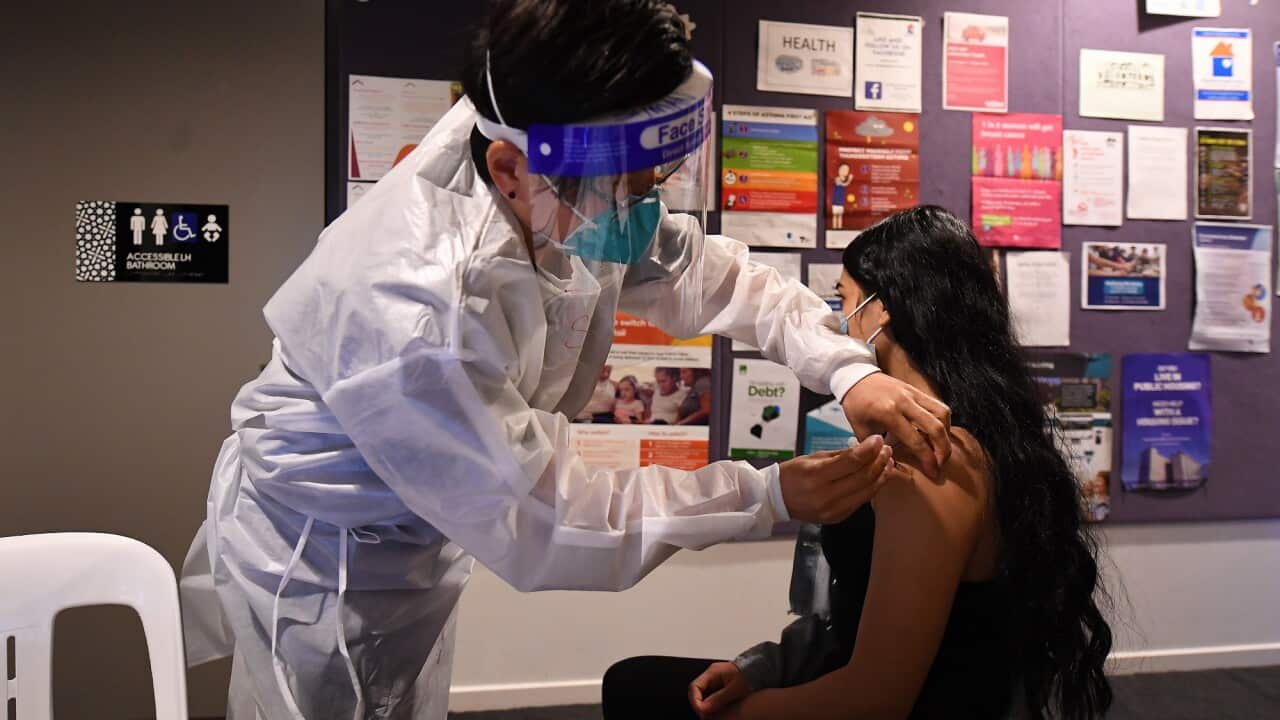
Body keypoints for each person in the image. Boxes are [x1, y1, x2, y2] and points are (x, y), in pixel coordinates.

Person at [178, 3, 952, 718]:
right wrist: (765, 495)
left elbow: (708, 276)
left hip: (420, 536)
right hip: (328, 563)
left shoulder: (556, 176)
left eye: (657, 184)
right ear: (513, 171)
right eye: (631, 190)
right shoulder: (413, 309)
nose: (648, 211)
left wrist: (851, 371)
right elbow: (550, 519)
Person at [603, 206, 1113, 720]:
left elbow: (873, 700)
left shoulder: (929, 464)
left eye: (844, 301)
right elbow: (849, 619)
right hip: (889, 681)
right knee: (637, 680)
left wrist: (740, 714)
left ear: (881, 310)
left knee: (634, 689)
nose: (837, 323)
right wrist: (760, 669)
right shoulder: (979, 437)